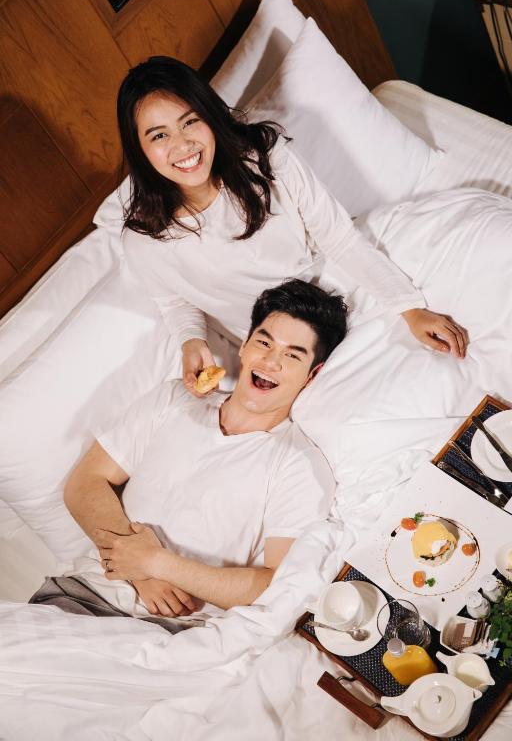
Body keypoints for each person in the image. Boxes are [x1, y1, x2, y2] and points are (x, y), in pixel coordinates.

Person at [96, 55, 468, 401]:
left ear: (209, 116)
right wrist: (191, 340)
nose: (182, 145)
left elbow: (338, 238)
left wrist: (409, 308)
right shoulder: (145, 242)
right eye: (159, 136)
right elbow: (175, 300)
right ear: (140, 149)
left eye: (190, 121)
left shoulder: (266, 160)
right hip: (280, 350)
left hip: (339, 291)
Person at [30, 279, 348, 627]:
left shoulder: (299, 464)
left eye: (292, 355)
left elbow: (275, 587)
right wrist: (139, 572)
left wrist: (156, 563)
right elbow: (85, 481)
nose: (271, 361)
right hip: (82, 594)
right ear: (244, 346)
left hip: (173, 630)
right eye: (264, 342)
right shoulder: (172, 400)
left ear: (312, 375)